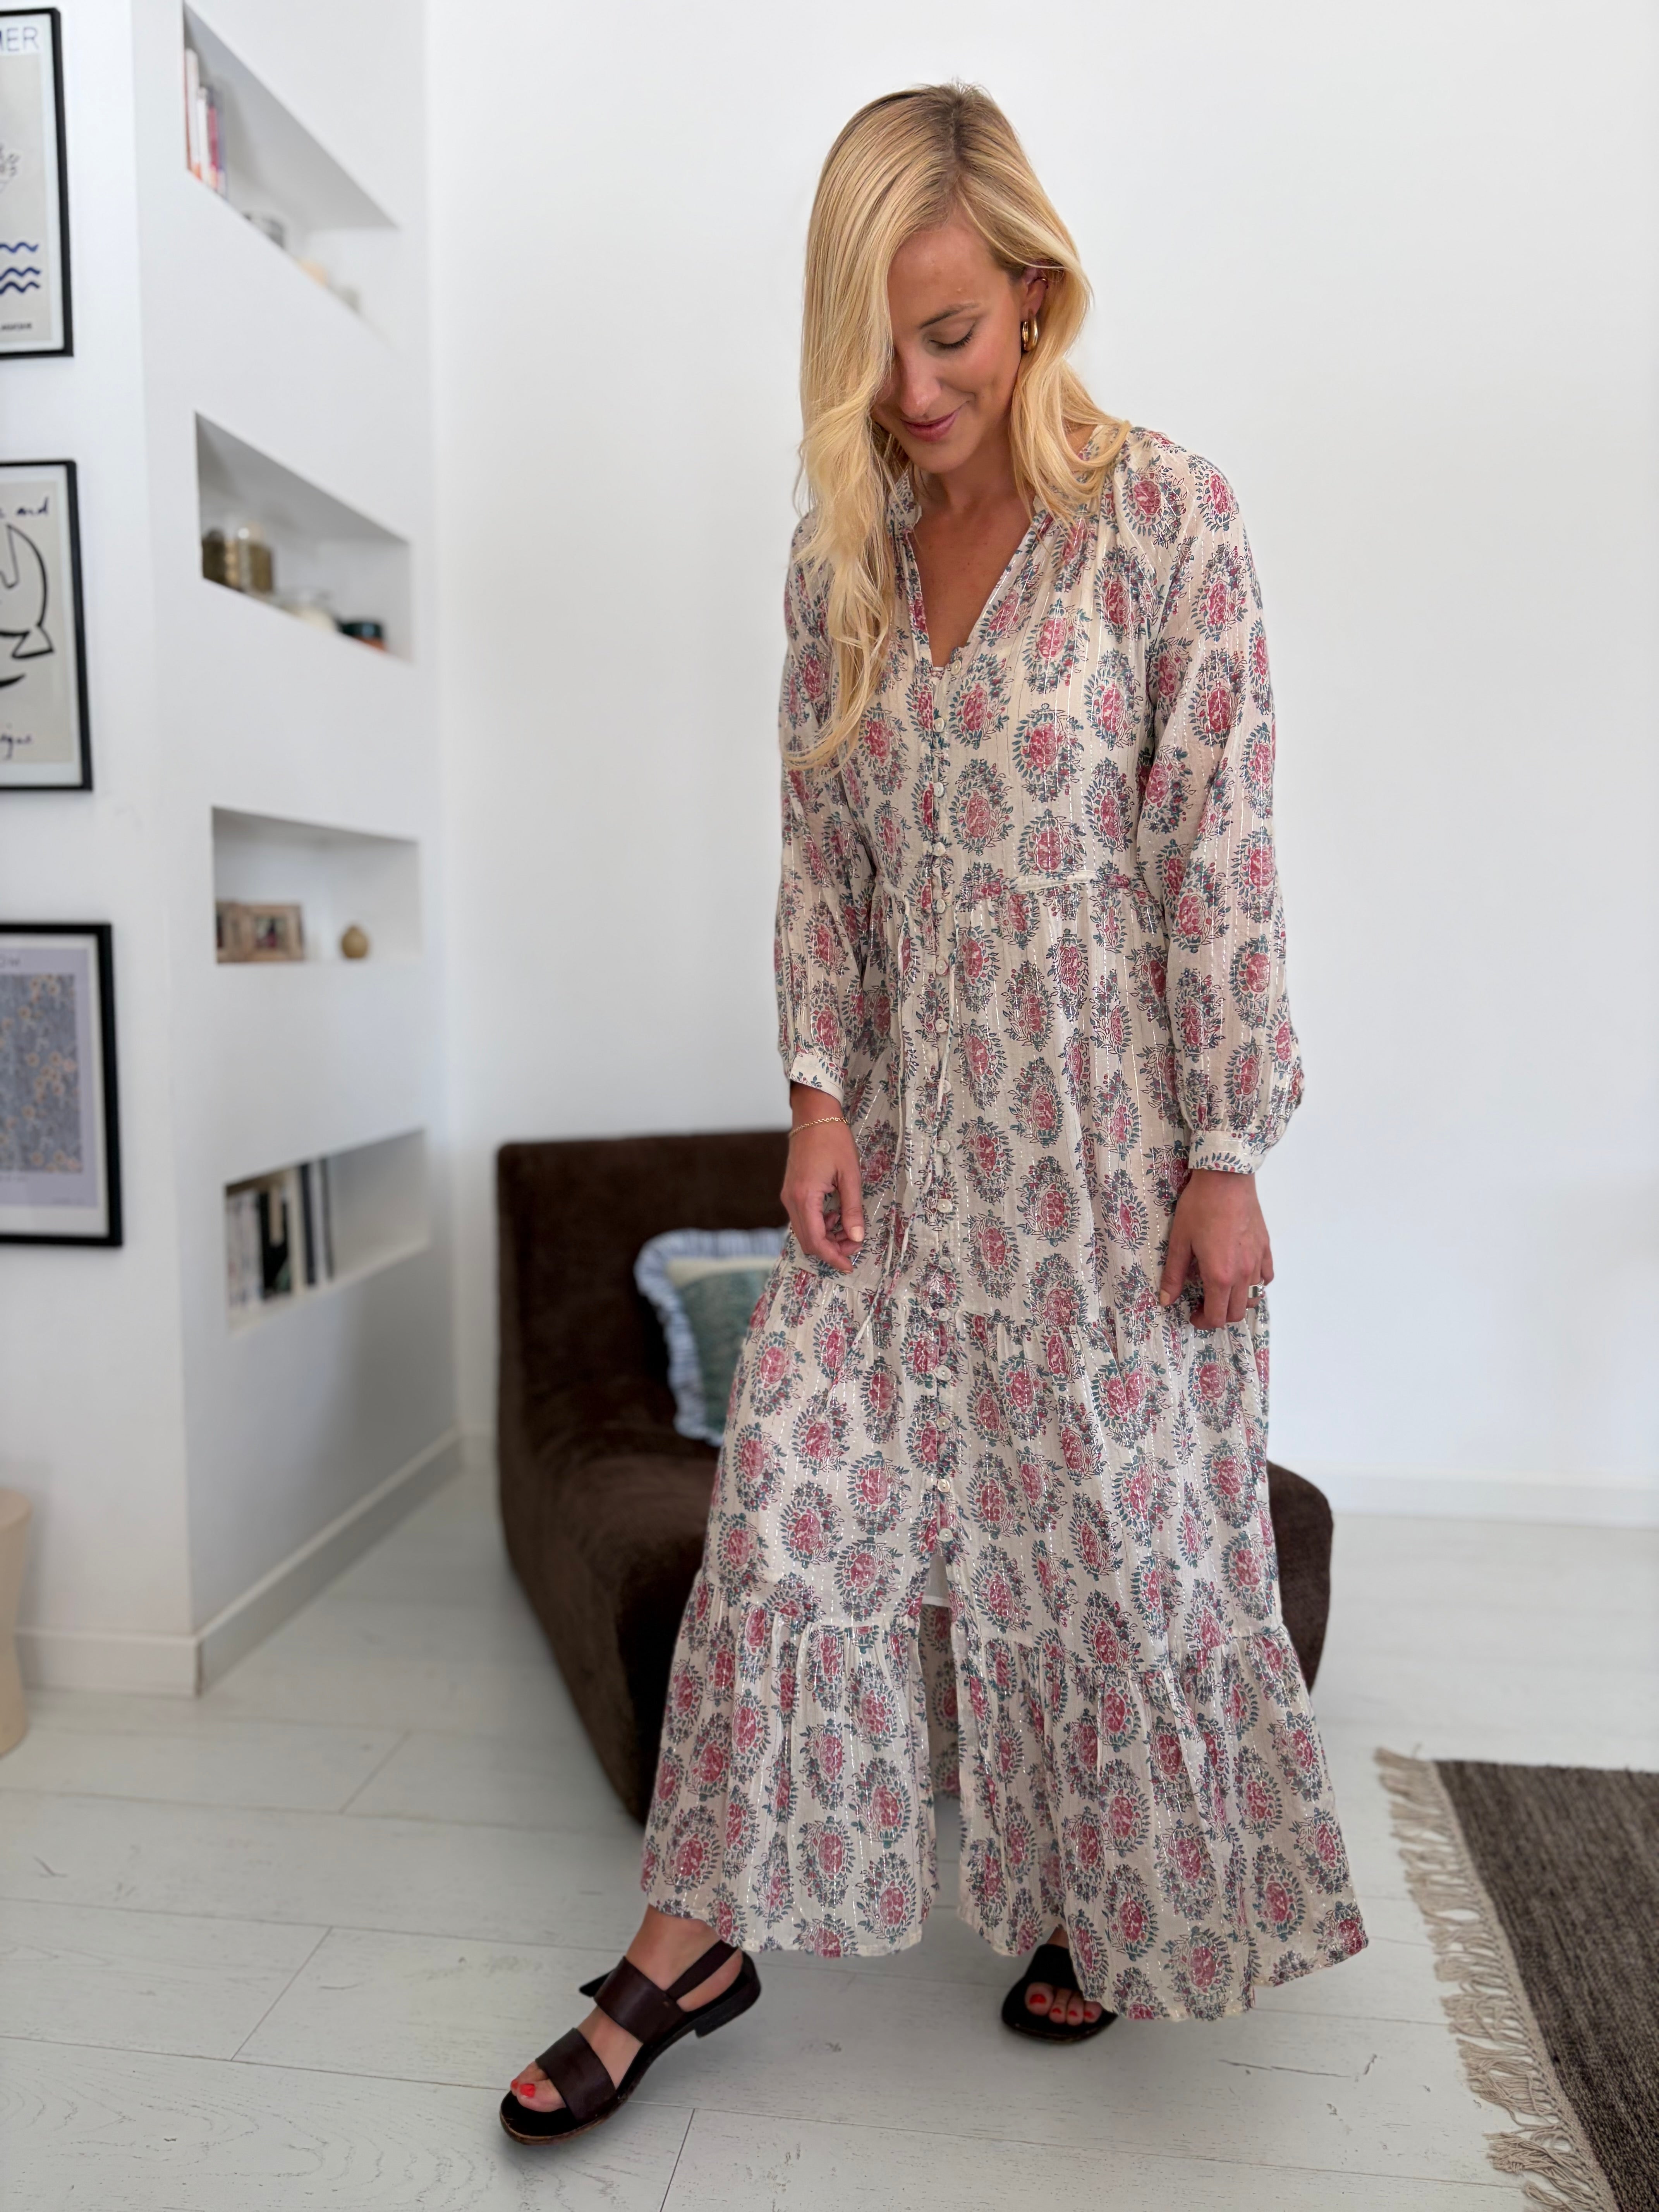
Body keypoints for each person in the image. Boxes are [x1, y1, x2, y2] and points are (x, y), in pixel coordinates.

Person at [501, 81, 1367, 2147]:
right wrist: (813, 1097)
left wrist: (1227, 1154)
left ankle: (1101, 1903)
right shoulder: (846, 563)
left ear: (1037, 297)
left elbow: (1217, 853)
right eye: (876, 343)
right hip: (900, 1168)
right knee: (787, 1521)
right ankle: (685, 1948)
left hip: (1110, 1165)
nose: (913, 389)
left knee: (1117, 1555)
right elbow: (820, 858)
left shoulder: (1166, 522)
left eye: (953, 333)